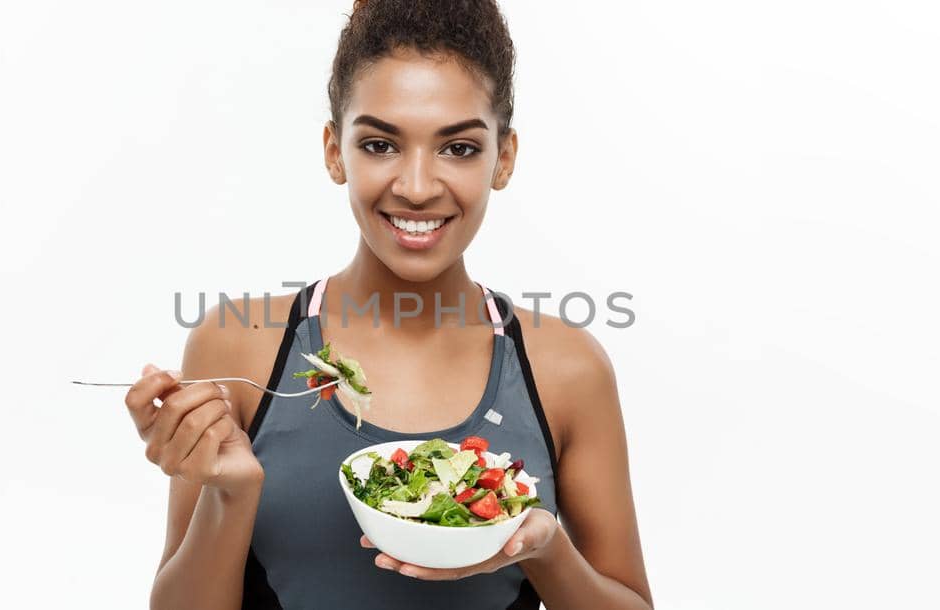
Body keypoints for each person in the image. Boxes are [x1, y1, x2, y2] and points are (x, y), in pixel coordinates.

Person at [123, 1, 652, 607]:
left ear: (503, 158)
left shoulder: (567, 369)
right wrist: (228, 493)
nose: (417, 187)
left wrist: (542, 548)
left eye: (458, 149)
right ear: (333, 151)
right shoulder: (239, 342)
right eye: (379, 144)